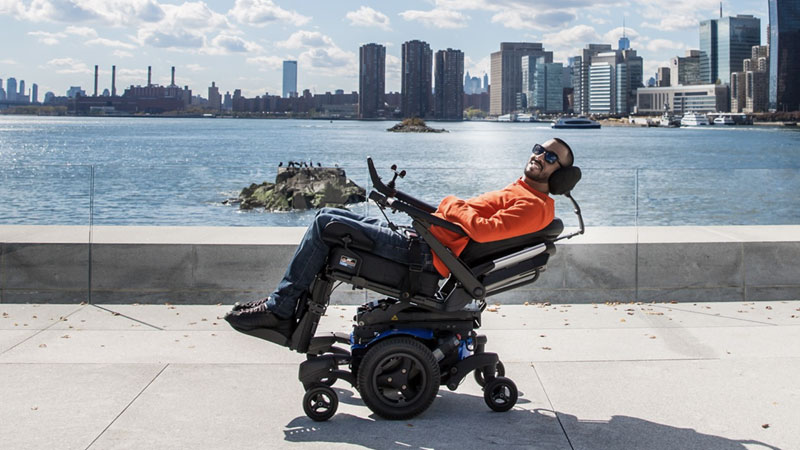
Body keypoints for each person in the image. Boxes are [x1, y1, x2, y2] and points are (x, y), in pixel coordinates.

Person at [224, 137, 574, 331]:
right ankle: (283, 303)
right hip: (426, 242)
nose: (540, 156)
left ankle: (281, 308)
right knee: (330, 213)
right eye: (539, 149)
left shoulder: (535, 205)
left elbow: (483, 232)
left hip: (425, 255)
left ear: (559, 174)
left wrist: (451, 203)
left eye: (551, 157)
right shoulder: (521, 190)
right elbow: (469, 223)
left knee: (324, 226)